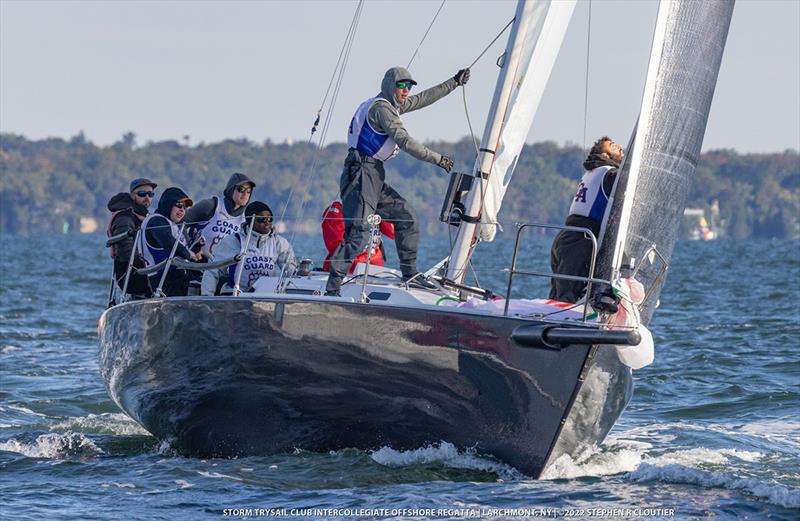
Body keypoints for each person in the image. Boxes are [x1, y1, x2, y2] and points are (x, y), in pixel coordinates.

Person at [325, 65, 470, 296]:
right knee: (359, 234)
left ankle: (409, 274)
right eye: (401, 86)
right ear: (390, 86)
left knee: (407, 217)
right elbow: (404, 141)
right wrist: (437, 159)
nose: (406, 91)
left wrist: (453, 82)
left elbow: (424, 99)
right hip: (360, 172)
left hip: (374, 174)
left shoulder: (391, 105)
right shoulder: (382, 109)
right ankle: (332, 287)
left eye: (409, 86)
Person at [549, 136, 624, 303]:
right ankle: (561, 324)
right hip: (579, 240)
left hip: (567, 236)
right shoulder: (610, 174)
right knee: (566, 296)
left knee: (560, 293)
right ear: (605, 154)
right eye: (613, 145)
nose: (620, 147)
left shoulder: (592, 171)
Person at [201, 202, 296, 296]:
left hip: (265, 298)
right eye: (261, 219)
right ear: (250, 221)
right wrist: (206, 296)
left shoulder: (279, 243)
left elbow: (291, 272)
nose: (267, 222)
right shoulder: (233, 241)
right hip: (234, 297)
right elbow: (213, 271)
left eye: (270, 219)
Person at [139, 187, 202, 296]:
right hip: (164, 279)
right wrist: (188, 254)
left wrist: (196, 246)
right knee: (209, 284)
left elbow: (185, 250)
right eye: (178, 205)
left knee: (217, 281)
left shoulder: (173, 225)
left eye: (185, 207)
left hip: (179, 276)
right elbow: (168, 242)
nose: (182, 210)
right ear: (168, 204)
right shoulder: (156, 221)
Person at [106, 177, 157, 299]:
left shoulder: (142, 215)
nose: (147, 198)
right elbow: (125, 250)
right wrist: (148, 265)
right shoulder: (126, 217)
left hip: (143, 271)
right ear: (132, 195)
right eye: (142, 194)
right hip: (132, 275)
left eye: (150, 194)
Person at [185, 172, 256, 259]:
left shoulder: (246, 221)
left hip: (221, 270)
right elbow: (180, 223)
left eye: (249, 191)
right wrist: (192, 245)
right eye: (241, 189)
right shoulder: (210, 205)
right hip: (195, 263)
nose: (245, 194)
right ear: (231, 189)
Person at [321, 199, 395, 274]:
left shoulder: (373, 206)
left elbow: (393, 232)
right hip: (348, 273)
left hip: (375, 269)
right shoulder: (337, 209)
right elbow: (335, 245)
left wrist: (383, 209)